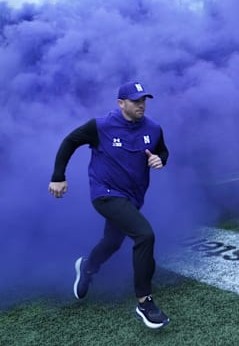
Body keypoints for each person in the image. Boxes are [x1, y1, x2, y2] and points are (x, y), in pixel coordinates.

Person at [48, 81, 170, 329]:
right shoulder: (101, 125)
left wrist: (160, 160)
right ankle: (145, 302)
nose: (141, 105)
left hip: (133, 197)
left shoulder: (154, 128)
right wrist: (58, 176)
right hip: (105, 193)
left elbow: (162, 152)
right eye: (136, 101)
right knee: (145, 236)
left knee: (113, 242)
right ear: (120, 103)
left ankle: (87, 266)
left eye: (144, 100)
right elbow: (70, 142)